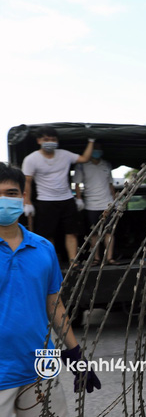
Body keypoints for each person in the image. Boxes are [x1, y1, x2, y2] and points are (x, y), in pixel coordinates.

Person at [0, 163, 100, 417]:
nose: (4, 199)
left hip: (42, 366)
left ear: (23, 197)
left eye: (11, 193)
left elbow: (54, 305)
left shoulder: (43, 248)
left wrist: (75, 354)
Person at [22, 127, 95, 265]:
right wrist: (27, 202)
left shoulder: (65, 154)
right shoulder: (31, 159)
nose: (50, 142)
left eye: (53, 139)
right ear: (39, 141)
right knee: (47, 235)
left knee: (72, 232)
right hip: (45, 201)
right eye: (46, 139)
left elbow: (85, 158)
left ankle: (74, 262)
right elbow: (27, 181)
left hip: (67, 199)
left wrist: (91, 141)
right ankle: (51, 263)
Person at [74, 143, 119, 265]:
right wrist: (79, 199)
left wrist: (115, 201)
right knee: (94, 233)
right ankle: (96, 258)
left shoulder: (106, 164)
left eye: (99, 149)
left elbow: (110, 184)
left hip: (108, 203)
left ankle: (109, 258)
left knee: (109, 232)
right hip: (91, 205)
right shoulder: (81, 165)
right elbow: (77, 184)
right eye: (94, 149)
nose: (97, 151)